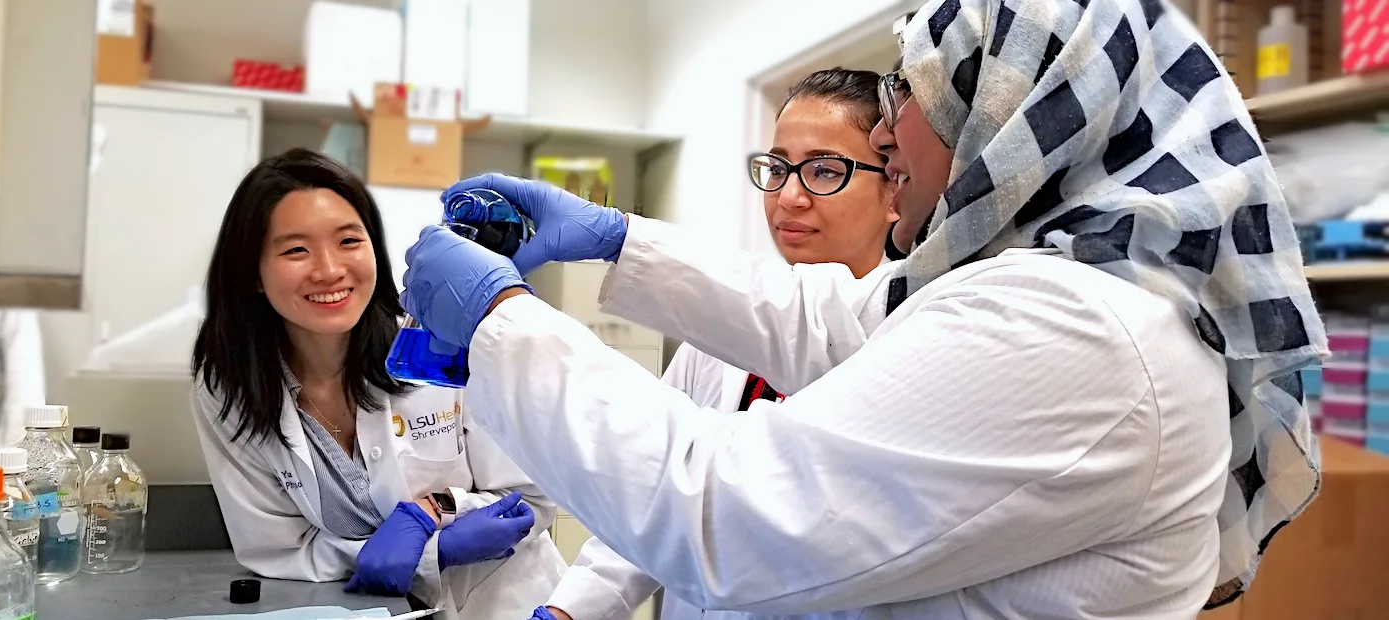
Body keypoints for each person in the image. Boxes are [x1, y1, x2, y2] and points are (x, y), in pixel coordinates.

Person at [398, 0, 1328, 617]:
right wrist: (611, 237)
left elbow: (719, 508)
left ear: (1009, 109)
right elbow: (826, 322)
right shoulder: (1035, 283)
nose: (887, 133)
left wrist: (499, 318)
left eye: (908, 97)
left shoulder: (1078, 326)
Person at [543, 68, 897, 620]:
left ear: (895, 186)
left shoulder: (910, 339)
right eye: (778, 169)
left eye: (824, 171)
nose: (790, 197)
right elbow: (654, 493)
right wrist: (567, 611)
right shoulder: (717, 339)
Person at [189, 148, 565, 620]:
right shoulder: (230, 387)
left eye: (349, 241)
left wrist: (433, 512)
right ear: (253, 273)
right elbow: (274, 549)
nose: (329, 269)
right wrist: (423, 553)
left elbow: (529, 498)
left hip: (507, 603)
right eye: (295, 249)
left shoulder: (438, 341)